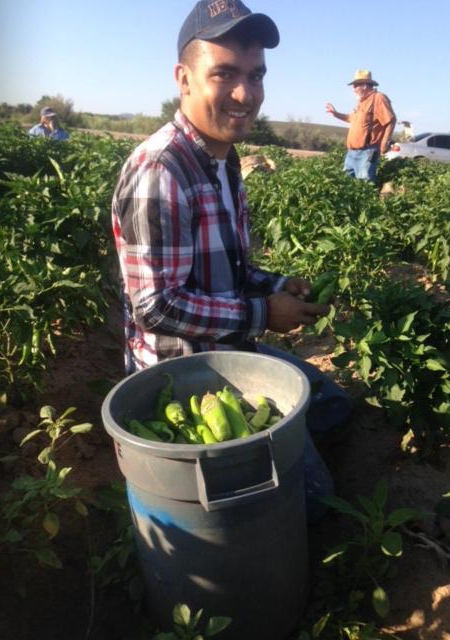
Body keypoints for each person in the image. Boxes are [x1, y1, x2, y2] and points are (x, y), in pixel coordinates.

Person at [112, 0, 351, 521]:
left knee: (332, 406)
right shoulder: (162, 170)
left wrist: (281, 284)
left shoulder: (225, 159)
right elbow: (156, 306)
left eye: (256, 75)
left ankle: (277, 463)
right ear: (185, 79)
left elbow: (230, 272)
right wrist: (266, 314)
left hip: (233, 349)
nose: (246, 94)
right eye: (225, 74)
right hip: (186, 377)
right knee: (316, 502)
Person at [326, 69, 396, 181]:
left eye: (355, 85)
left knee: (364, 186)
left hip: (367, 151)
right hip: (351, 152)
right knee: (346, 184)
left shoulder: (378, 98)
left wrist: (384, 143)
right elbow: (351, 118)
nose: (353, 89)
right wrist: (335, 114)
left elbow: (390, 121)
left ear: (364, 85)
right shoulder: (361, 102)